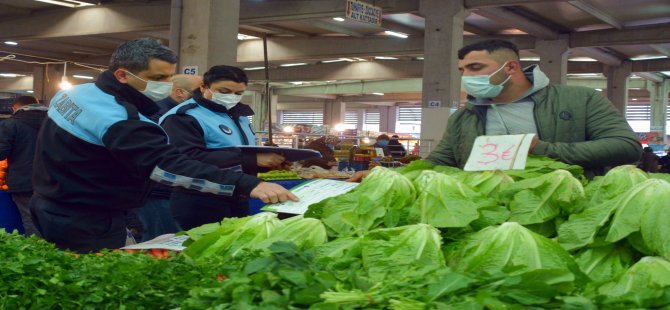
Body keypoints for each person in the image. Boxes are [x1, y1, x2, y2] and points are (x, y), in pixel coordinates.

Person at [29, 38, 297, 253]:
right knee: (93, 284)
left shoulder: (77, 93)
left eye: (170, 77)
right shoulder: (122, 119)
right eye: (158, 78)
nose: (168, 86)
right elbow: (169, 166)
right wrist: (249, 184)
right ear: (122, 75)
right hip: (87, 216)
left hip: (52, 201)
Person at [349, 39, 641, 181]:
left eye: (475, 68)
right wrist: (391, 177)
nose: (466, 76)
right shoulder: (465, 117)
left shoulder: (580, 100)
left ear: (510, 67)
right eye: (462, 69)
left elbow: (626, 147)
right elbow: (440, 161)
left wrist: (542, 148)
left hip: (564, 207)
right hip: (485, 211)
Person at [160, 65, 288, 230]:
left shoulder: (239, 116)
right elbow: (188, 159)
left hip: (237, 194)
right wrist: (251, 160)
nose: (231, 97)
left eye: (238, 93)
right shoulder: (184, 116)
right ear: (204, 87)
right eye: (224, 91)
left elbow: (240, 151)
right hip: (201, 199)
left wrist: (268, 163)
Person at [136, 74, 202, 241]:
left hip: (171, 189)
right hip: (158, 191)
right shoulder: (164, 115)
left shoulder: (186, 113)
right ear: (180, 92)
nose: (203, 94)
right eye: (198, 91)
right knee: (162, 240)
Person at [0, 96, 47, 236]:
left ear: (15, 108)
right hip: (54, 182)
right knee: (51, 219)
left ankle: (39, 253)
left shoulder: (11, 124)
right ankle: (56, 252)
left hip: (23, 181)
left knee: (30, 219)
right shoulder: (56, 123)